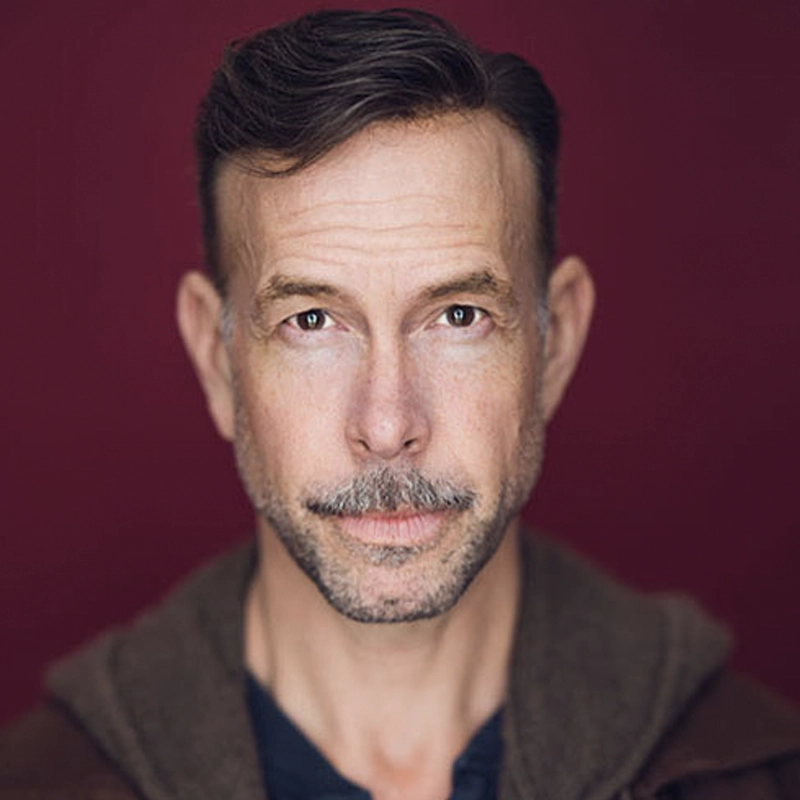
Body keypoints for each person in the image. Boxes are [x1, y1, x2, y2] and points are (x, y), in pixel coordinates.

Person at [1, 8, 799, 800]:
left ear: (555, 344)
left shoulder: (760, 772)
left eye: (459, 316)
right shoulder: (39, 783)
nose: (387, 426)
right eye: (312, 320)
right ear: (218, 358)